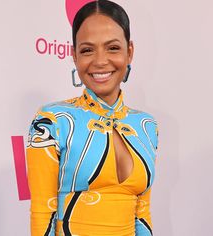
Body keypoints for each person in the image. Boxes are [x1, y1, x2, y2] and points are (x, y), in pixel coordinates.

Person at [26, 0, 159, 235]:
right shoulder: (52, 121)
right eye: (87, 49)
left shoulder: (146, 125)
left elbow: (142, 213)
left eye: (113, 48)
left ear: (129, 52)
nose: (100, 61)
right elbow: (42, 215)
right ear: (74, 55)